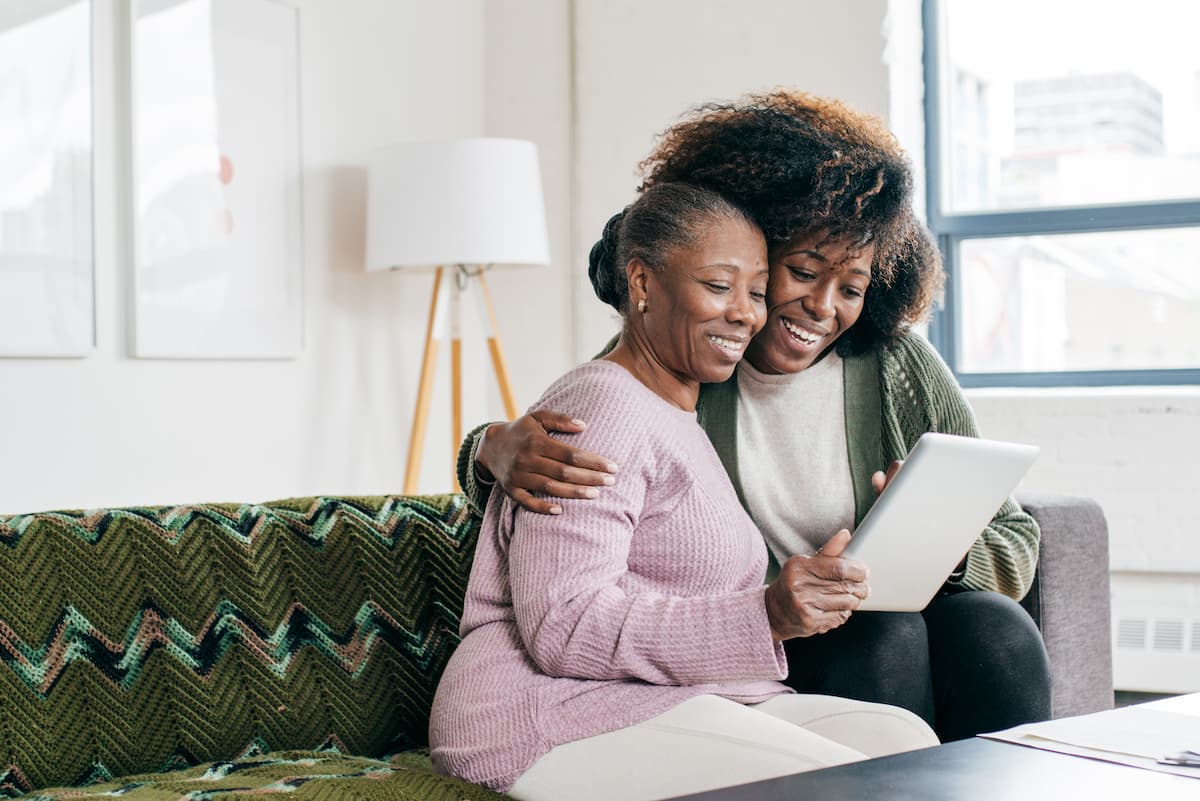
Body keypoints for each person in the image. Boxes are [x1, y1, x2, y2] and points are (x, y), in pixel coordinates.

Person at [456, 91, 1053, 743]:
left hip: (892, 608)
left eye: (851, 288)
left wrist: (942, 543)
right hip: (762, 633)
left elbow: (1016, 538)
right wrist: (490, 445)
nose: (823, 306)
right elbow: (584, 426)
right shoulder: (693, 359)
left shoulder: (898, 367)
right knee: (884, 635)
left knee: (998, 629)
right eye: (800, 272)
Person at [429, 183, 937, 801]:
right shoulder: (601, 410)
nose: (746, 314)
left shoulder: (677, 413)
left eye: (756, 292)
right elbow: (563, 625)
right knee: (859, 787)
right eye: (719, 287)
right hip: (543, 715)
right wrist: (768, 614)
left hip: (669, 698)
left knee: (905, 744)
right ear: (642, 284)